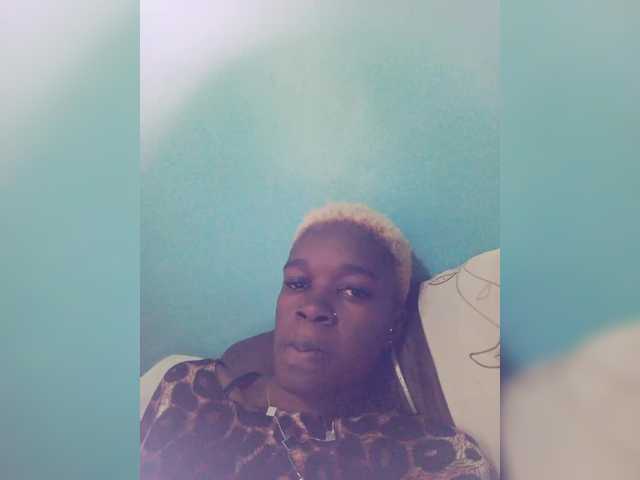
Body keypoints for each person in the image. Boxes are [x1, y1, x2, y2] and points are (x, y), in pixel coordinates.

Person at [140, 203, 493, 479]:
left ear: (393, 323)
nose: (312, 306)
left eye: (353, 290)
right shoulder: (187, 390)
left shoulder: (437, 459)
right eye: (297, 283)